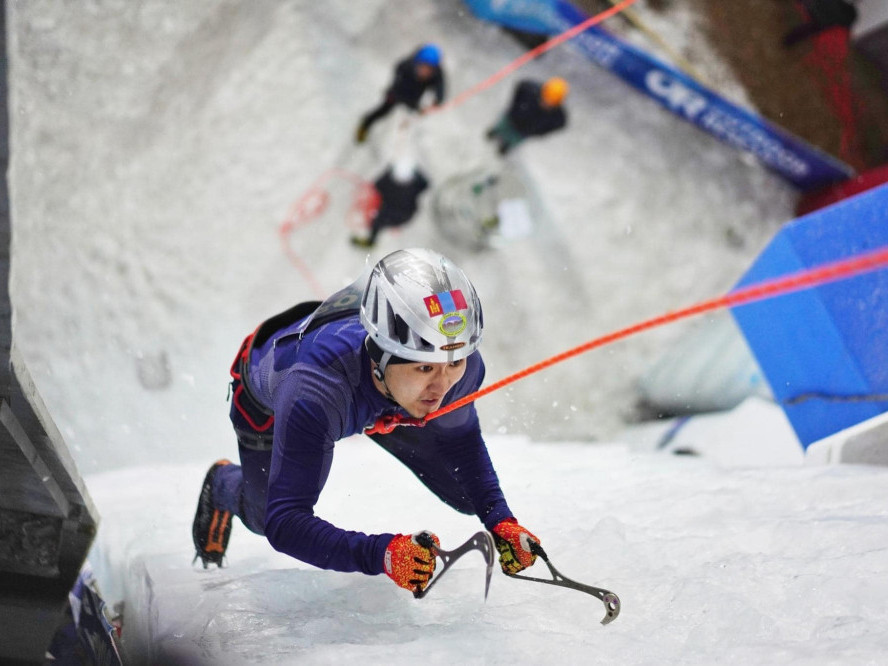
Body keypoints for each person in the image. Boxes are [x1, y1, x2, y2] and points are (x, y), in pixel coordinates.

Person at [192, 248, 541, 594]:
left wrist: (500, 519)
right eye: (424, 367)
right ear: (380, 355)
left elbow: (460, 442)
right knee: (262, 516)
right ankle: (222, 482)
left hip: (378, 393)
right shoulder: (314, 391)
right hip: (268, 397)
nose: (443, 385)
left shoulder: (452, 369)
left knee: (468, 493)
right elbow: (285, 524)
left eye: (454, 364)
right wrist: (382, 554)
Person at [355, 44, 446, 144]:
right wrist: (392, 90)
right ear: (417, 63)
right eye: (422, 67)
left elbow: (440, 87)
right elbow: (397, 71)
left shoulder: (436, 74)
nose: (425, 72)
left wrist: (438, 99)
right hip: (397, 94)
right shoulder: (407, 65)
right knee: (382, 112)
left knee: (410, 122)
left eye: (429, 70)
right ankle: (365, 125)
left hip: (413, 99)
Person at [350, 159, 430, 248]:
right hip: (398, 212)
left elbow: (425, 184)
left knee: (378, 219)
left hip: (400, 214)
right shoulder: (395, 183)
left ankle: (370, 241)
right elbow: (425, 184)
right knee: (378, 219)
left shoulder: (407, 187)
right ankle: (370, 241)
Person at [486, 77, 569, 156]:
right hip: (511, 118)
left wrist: (538, 133)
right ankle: (491, 136)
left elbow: (560, 125)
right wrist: (513, 107)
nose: (547, 104)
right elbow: (520, 87)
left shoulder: (558, 116)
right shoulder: (530, 90)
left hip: (523, 132)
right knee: (497, 130)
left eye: (551, 103)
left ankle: (503, 149)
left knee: (509, 144)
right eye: (546, 99)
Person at [782, 0, 858, 47]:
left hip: (815, 10)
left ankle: (789, 40)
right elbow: (845, 25)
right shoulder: (852, 15)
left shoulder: (851, 14)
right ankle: (788, 41)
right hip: (819, 19)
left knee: (814, 25)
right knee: (814, 27)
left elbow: (846, 25)